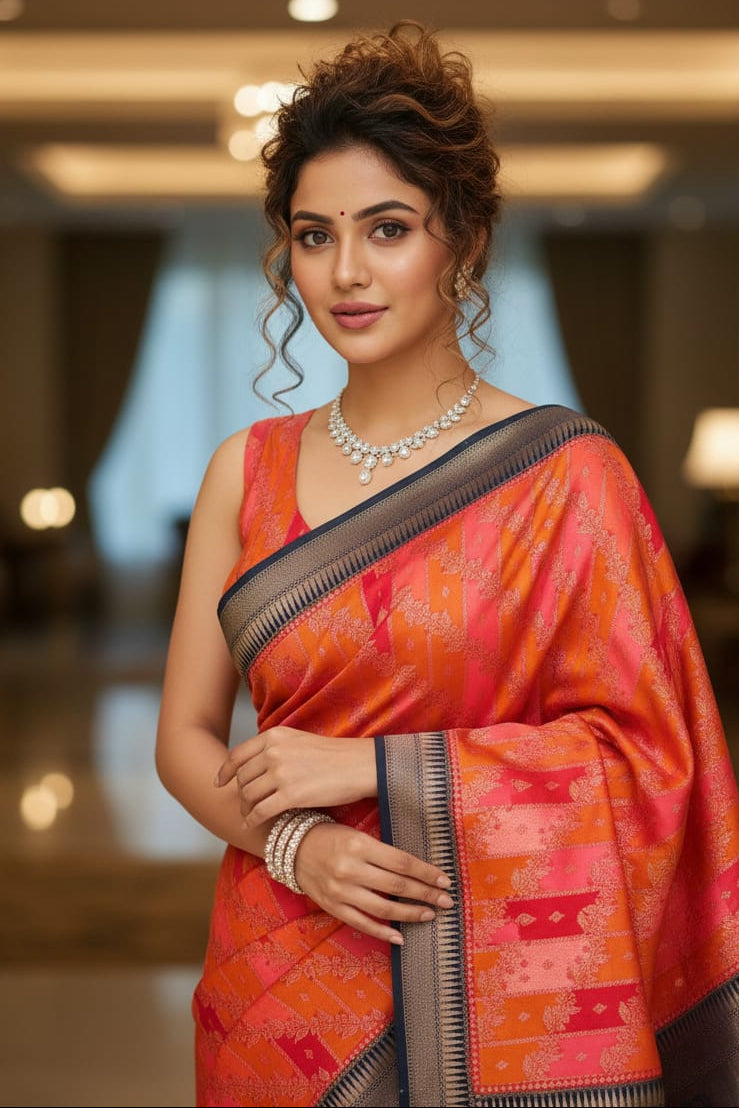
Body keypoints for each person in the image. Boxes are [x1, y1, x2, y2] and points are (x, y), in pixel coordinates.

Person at [155, 21, 739, 1108]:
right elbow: (185, 740)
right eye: (314, 235)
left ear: (462, 240)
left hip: (505, 978)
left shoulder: (567, 474)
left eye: (387, 229)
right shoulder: (247, 470)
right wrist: (294, 846)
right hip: (280, 984)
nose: (346, 272)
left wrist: (369, 769)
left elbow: (655, 761)